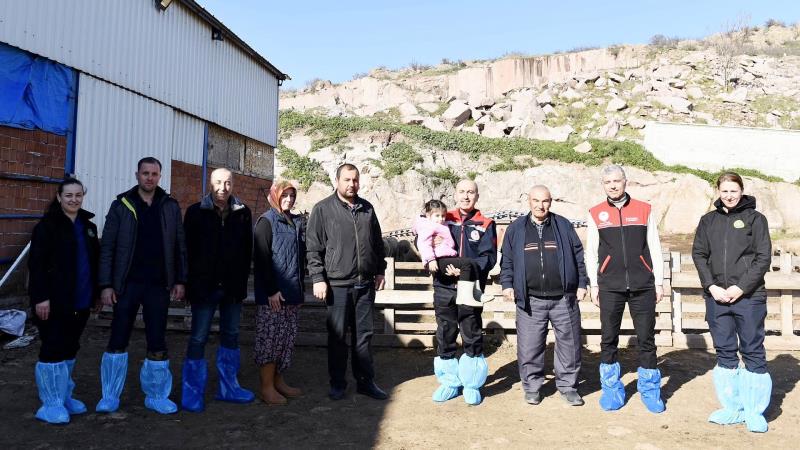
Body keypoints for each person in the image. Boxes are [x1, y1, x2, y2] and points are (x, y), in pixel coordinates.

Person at [95, 156, 187, 415]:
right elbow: (108, 248)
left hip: (158, 285)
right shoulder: (121, 205)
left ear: (160, 176)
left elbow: (180, 246)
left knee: (157, 338)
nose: (149, 178)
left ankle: (157, 395)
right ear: (137, 175)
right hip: (126, 285)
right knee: (118, 337)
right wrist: (105, 284)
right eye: (145, 173)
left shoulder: (169, 205)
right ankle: (110, 395)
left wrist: (180, 280)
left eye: (154, 174)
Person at [692, 172, 772, 433]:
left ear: (741, 191)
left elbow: (763, 257)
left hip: (748, 298)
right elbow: (699, 254)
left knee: (752, 351)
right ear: (718, 191)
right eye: (724, 191)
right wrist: (711, 286)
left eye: (733, 191)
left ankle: (754, 411)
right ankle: (733, 407)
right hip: (718, 298)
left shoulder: (756, 220)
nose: (729, 196)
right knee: (725, 350)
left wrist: (741, 287)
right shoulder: (708, 221)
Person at [585, 164, 665, 413]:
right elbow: (591, 253)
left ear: (625, 182)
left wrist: (659, 281)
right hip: (610, 286)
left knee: (647, 340)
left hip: (643, 286)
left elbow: (654, 247)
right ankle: (611, 390)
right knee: (608, 340)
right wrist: (594, 283)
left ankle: (650, 391)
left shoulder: (644, 210)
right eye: (608, 182)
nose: (613, 185)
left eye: (617, 181)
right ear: (603, 185)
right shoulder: (596, 213)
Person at [306, 163, 388, 401]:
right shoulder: (322, 209)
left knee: (364, 336)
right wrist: (319, 278)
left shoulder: (367, 209)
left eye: (355, 180)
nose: (351, 184)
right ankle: (338, 383)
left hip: (365, 284)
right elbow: (313, 248)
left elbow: (377, 243)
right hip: (337, 286)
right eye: (347, 180)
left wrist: (380, 271)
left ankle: (365, 382)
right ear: (337, 181)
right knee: (338, 337)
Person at [500, 185, 587, 406]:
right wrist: (507, 284)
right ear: (528, 201)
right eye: (536, 200)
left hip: (563, 298)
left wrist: (582, 283)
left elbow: (578, 256)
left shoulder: (563, 225)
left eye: (545, 201)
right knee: (530, 345)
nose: (541, 205)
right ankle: (532, 386)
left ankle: (568, 386)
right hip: (531, 300)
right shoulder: (516, 229)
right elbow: (507, 260)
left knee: (570, 344)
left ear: (551, 202)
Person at [181, 168, 255, 412]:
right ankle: (192, 392)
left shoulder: (243, 213)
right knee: (199, 337)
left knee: (231, 334)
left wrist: (241, 282)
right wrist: (189, 283)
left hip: (232, 287)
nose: (223, 187)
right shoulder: (195, 213)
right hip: (204, 287)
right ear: (209, 184)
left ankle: (229, 387)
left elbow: (247, 251)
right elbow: (187, 251)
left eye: (228, 183)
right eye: (219, 183)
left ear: (233, 185)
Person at [28, 178, 99, 424]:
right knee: (52, 348)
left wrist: (96, 294)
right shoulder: (46, 227)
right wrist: (40, 298)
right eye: (68, 195)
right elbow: (36, 266)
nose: (74, 200)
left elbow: (94, 262)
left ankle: (64, 395)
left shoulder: (88, 227)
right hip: (53, 301)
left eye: (78, 195)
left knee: (70, 347)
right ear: (59, 197)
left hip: (80, 301)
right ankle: (50, 403)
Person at [429, 179, 497, 406]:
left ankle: (471, 383)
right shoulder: (441, 219)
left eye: (471, 192)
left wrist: (466, 270)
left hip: (472, 288)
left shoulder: (485, 224)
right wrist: (442, 265)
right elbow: (425, 242)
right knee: (445, 332)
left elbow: (488, 257)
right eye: (462, 192)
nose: (466, 196)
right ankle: (449, 381)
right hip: (444, 285)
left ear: (477, 196)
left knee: (472, 332)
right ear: (455, 194)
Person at [253, 180, 306, 405]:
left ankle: (278, 381)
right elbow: (262, 259)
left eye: (292, 195)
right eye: (285, 195)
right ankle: (266, 387)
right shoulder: (266, 222)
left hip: (291, 292)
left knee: (285, 339)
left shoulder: (294, 222)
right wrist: (272, 290)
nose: (289, 200)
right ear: (275, 195)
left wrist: (299, 291)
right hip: (273, 295)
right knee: (270, 340)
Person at [413, 199, 488, 305]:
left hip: (446, 257)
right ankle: (464, 297)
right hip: (438, 259)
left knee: (471, 262)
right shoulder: (428, 226)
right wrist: (430, 260)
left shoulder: (442, 225)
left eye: (443, 216)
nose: (441, 219)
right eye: (437, 216)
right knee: (466, 264)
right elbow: (423, 242)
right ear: (429, 216)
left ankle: (476, 292)